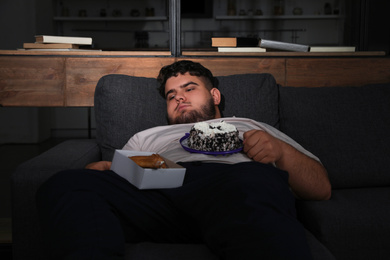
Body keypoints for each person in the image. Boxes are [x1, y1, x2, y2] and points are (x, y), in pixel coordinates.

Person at [37, 60, 331, 260]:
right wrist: (102, 172)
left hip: (234, 189)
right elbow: (117, 179)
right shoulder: (148, 136)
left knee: (252, 178)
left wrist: (279, 150)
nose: (179, 98)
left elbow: (321, 188)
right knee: (66, 182)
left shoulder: (249, 124)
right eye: (171, 95)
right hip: (161, 196)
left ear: (214, 95)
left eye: (190, 88)